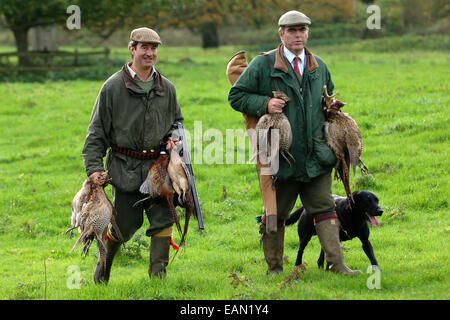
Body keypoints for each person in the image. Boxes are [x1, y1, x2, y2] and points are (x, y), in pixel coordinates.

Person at [228, 11, 361, 275]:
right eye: (292, 30)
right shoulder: (263, 64)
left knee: (324, 209)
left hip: (317, 155)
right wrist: (265, 103)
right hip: (280, 158)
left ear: (308, 33)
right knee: (274, 214)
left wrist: (332, 106)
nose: (298, 35)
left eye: (302, 30)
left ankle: (337, 264)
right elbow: (236, 96)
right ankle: (275, 269)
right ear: (281, 33)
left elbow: (327, 96)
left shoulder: (318, 65)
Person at [82, 27, 183, 283]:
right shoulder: (113, 87)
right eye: (144, 48)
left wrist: (174, 139)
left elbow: (177, 121)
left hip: (159, 168)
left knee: (163, 220)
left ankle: (157, 281)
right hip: (124, 168)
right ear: (132, 49)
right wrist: (94, 169)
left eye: (154, 48)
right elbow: (96, 132)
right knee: (124, 226)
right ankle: (103, 266)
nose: (150, 53)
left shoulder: (166, 88)